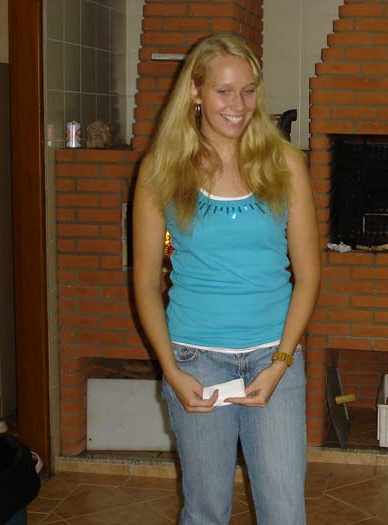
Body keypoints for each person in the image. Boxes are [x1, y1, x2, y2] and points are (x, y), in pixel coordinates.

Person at [132, 33, 320, 525]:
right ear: (195, 92)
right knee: (205, 510)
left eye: (249, 90)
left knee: (285, 511)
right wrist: (170, 371)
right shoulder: (161, 169)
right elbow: (146, 284)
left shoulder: (286, 164)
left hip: (274, 357)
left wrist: (281, 362)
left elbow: (308, 276)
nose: (239, 105)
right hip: (195, 361)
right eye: (224, 91)